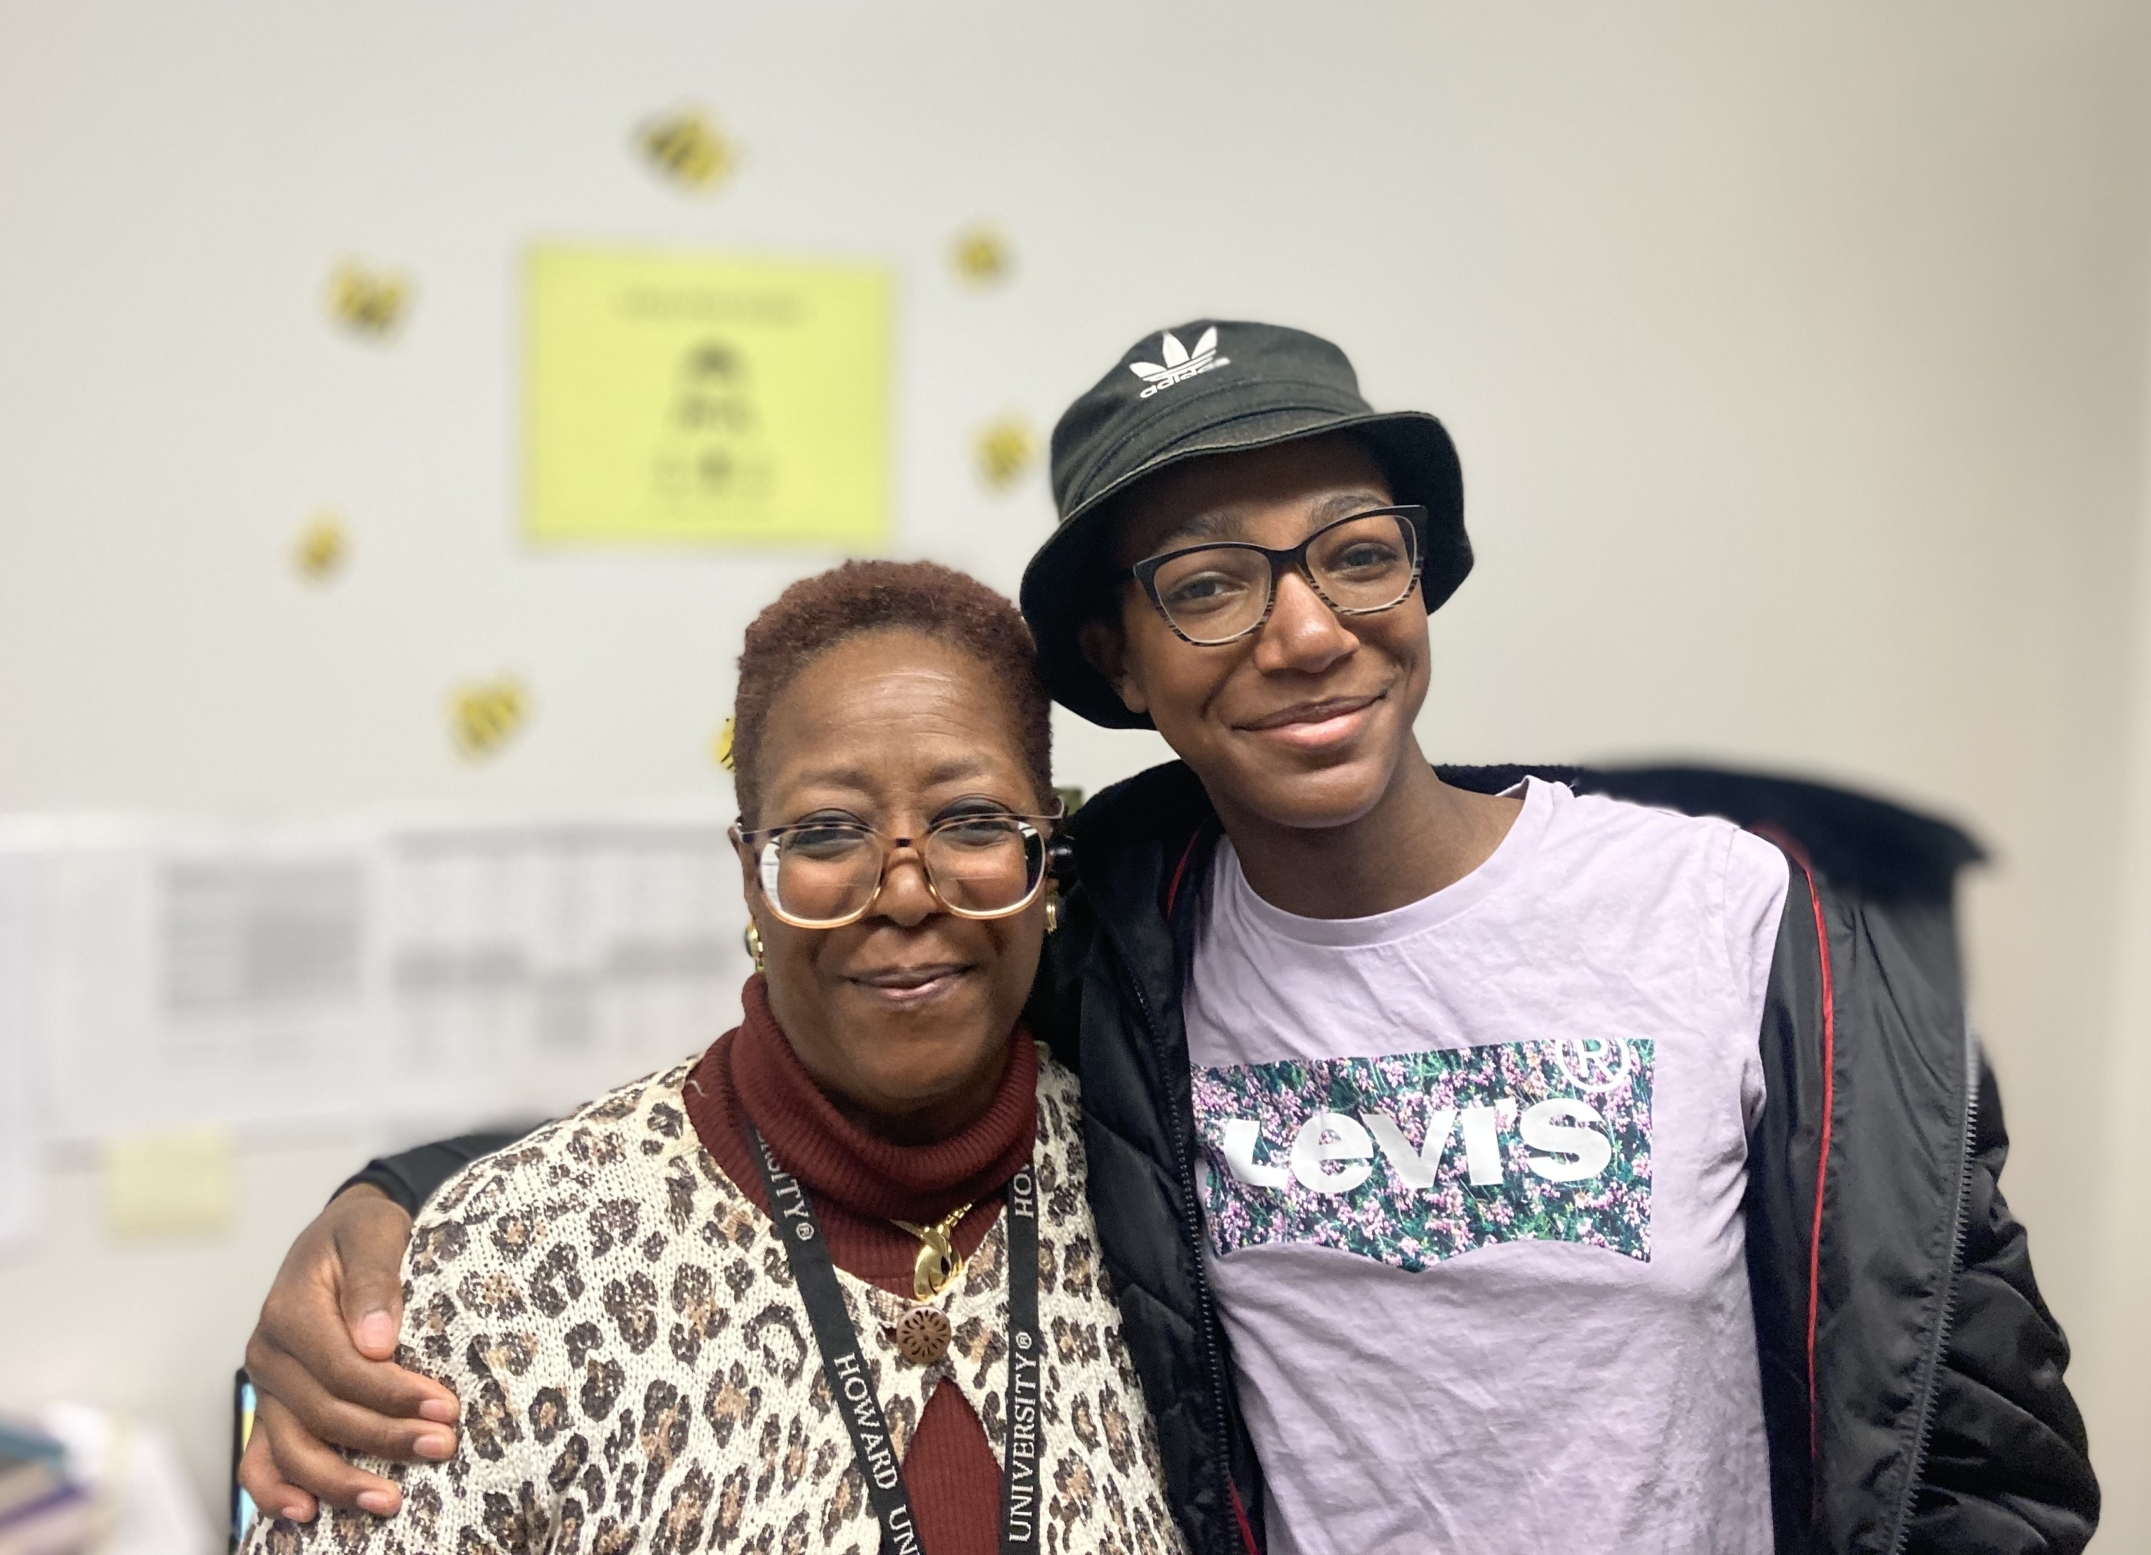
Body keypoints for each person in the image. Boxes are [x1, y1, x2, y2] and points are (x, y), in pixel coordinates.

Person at [242, 322, 2097, 1554]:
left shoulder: (1759, 921)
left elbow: (1975, 1441)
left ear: (1420, 576)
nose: (1300, 631)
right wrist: (411, 1197)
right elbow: (839, 1053)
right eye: (1205, 582)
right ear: (1122, 671)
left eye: (1351, 550)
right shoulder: (1130, 937)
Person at [242, 561, 1189, 1555]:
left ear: (1046, 848)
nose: (908, 893)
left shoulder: (1169, 1189)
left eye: (972, 822)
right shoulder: (503, 1273)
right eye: (827, 832)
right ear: (751, 875)